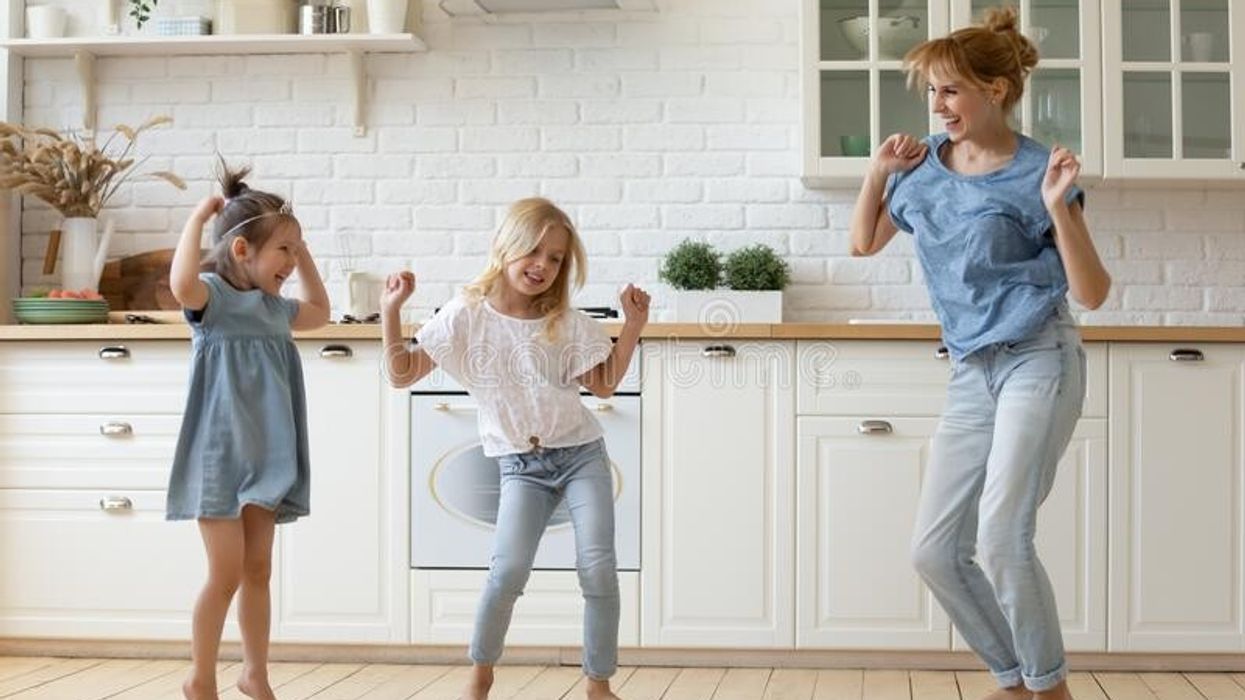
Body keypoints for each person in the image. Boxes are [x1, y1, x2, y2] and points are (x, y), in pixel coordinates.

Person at [848, 7, 1111, 700]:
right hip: (970, 371)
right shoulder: (922, 169)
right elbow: (864, 242)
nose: (937, 106)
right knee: (934, 551)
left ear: (995, 91)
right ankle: (1015, 678)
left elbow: (1093, 293)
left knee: (1000, 535)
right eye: (931, 91)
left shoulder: (1039, 171)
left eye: (950, 90)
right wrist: (877, 173)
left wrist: (1058, 207)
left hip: (1037, 356)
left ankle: (1046, 688)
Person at [381, 197, 649, 700]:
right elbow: (401, 375)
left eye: (556, 259)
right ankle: (479, 678)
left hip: (580, 455)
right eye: (535, 252)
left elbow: (606, 383)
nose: (543, 266)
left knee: (597, 568)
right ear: (506, 247)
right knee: (507, 572)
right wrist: (390, 313)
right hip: (520, 466)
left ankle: (598, 684)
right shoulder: (467, 315)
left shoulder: (563, 320)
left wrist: (632, 326)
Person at [167, 161, 331, 700]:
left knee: (258, 569)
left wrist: (301, 249)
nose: (291, 261)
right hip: (220, 458)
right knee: (226, 573)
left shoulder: (275, 309)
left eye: (296, 251)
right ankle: (200, 674)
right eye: (284, 251)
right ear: (242, 251)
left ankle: (254, 672)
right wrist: (198, 218)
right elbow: (181, 282)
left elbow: (322, 313)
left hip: (270, 457)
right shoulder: (212, 300)